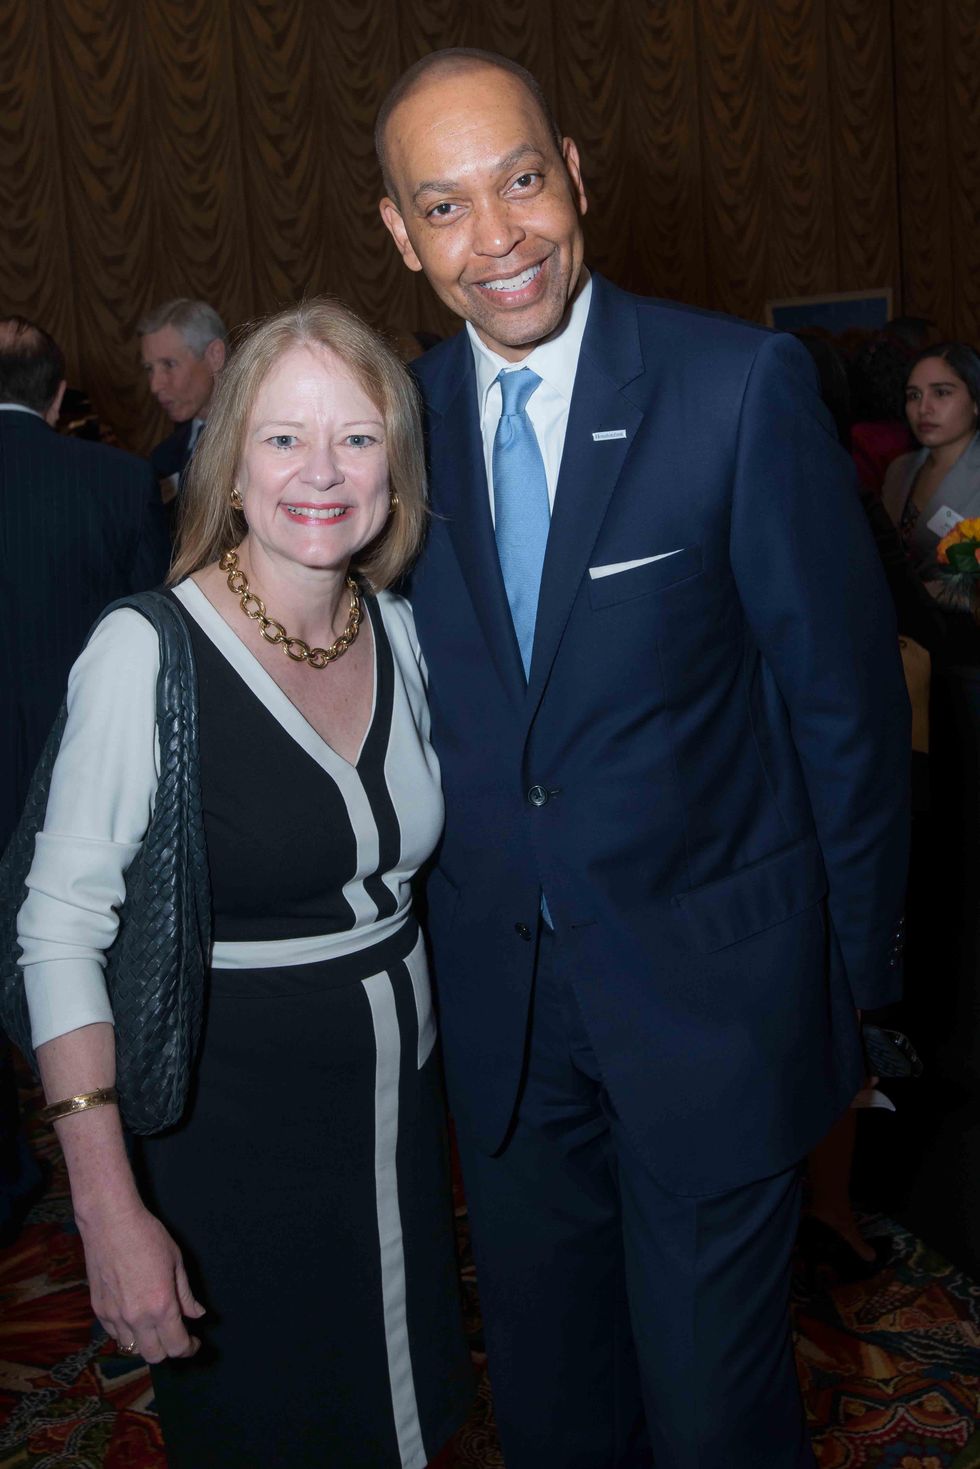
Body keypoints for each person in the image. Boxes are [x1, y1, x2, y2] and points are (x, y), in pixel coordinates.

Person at [376, 48, 910, 1468]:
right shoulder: (392, 435)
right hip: (504, 1027)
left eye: (523, 181)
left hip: (715, 1013)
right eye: (445, 206)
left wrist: (861, 995)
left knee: (715, 1418)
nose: (496, 238)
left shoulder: (737, 388)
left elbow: (844, 716)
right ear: (399, 235)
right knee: (556, 1415)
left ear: (578, 176)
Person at [16, 300, 472, 1468]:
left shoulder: (407, 634)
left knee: (409, 1420)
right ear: (228, 463)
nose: (320, 472)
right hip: (230, 1138)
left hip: (397, 1123)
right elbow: (59, 930)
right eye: (281, 438)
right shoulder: (146, 649)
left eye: (357, 437)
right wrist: (107, 1207)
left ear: (395, 467)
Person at [1, 314, 169, 1246]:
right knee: (94, 971)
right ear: (60, 397)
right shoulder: (114, 479)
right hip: (92, 787)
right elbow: (163, 637)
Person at [881, 342, 980, 611]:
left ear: (975, 403)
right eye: (914, 395)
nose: (924, 408)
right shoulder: (899, 470)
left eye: (941, 392)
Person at [138, 298, 228, 499]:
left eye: (169, 364)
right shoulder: (162, 459)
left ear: (215, 355)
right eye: (149, 369)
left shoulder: (264, 442)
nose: (155, 386)